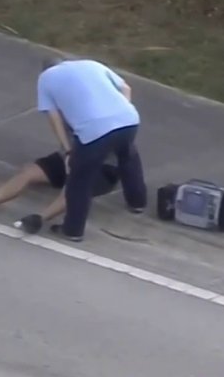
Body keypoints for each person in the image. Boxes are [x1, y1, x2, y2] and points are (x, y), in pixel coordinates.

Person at [36, 57, 148, 241]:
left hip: (94, 131)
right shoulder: (91, 64)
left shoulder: (45, 80)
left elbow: (54, 118)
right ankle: (137, 202)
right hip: (129, 119)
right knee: (127, 157)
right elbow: (126, 88)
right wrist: (122, 111)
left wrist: (68, 150)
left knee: (79, 180)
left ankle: (73, 230)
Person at [0, 151, 120, 234]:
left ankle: (39, 219)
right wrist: (69, 155)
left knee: (73, 187)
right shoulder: (67, 107)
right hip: (72, 156)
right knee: (30, 172)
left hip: (103, 166)